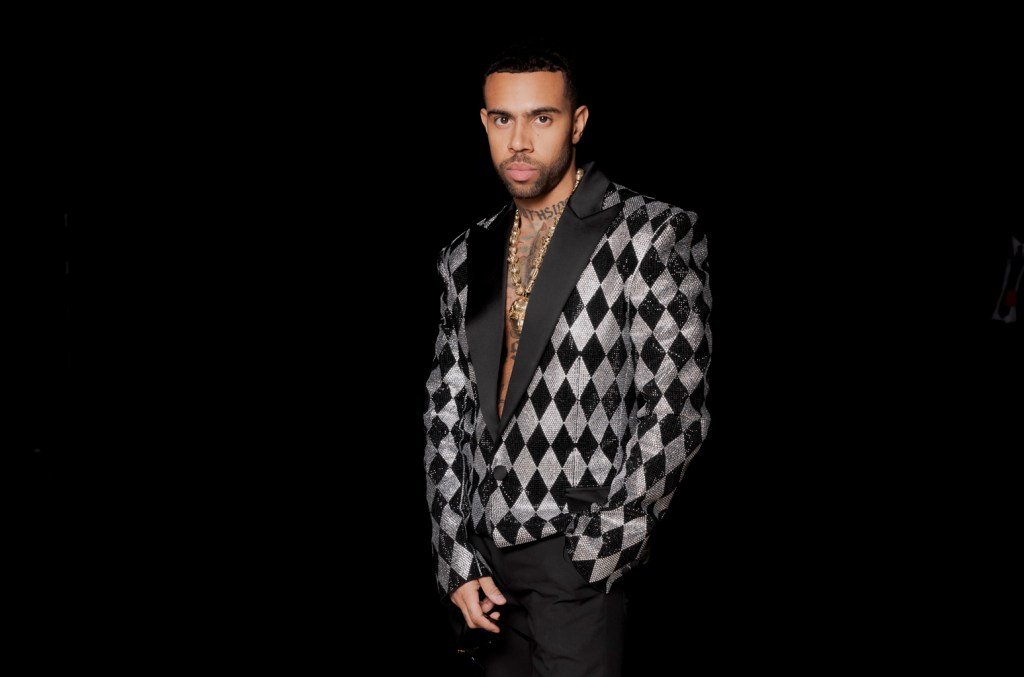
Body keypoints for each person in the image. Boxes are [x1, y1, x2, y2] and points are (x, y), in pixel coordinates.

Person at [422, 44, 712, 676]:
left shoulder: (648, 232)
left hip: (576, 552)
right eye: (503, 119)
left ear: (577, 123)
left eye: (542, 117)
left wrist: (600, 550)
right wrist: (455, 556)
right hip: (485, 571)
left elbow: (677, 408)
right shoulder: (465, 254)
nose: (520, 141)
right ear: (484, 123)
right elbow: (446, 410)